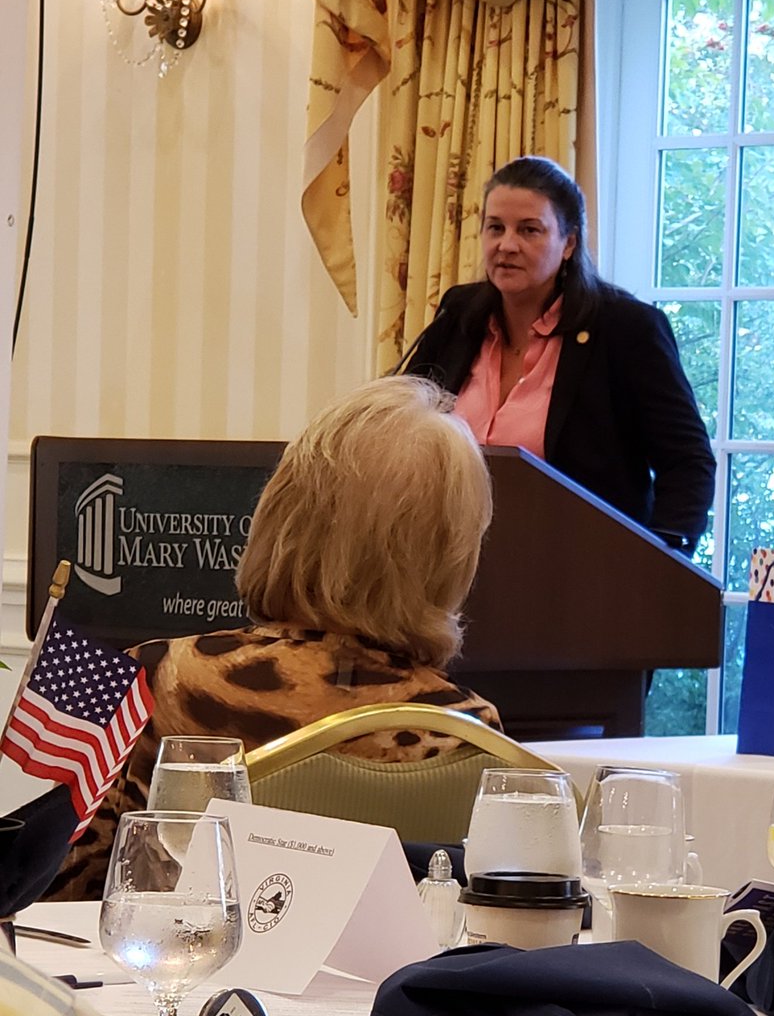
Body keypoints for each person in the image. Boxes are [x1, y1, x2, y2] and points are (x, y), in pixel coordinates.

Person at [44, 376, 500, 900]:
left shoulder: (152, 682)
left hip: (181, 951)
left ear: (280, 514)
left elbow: (61, 900)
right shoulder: (468, 732)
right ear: (452, 556)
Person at [405, 156, 715, 552]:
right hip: (451, 559)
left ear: (568, 243)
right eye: (495, 227)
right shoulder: (459, 313)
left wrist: (659, 562)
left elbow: (687, 463)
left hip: (581, 563)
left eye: (529, 230)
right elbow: (406, 425)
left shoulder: (625, 328)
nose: (507, 245)